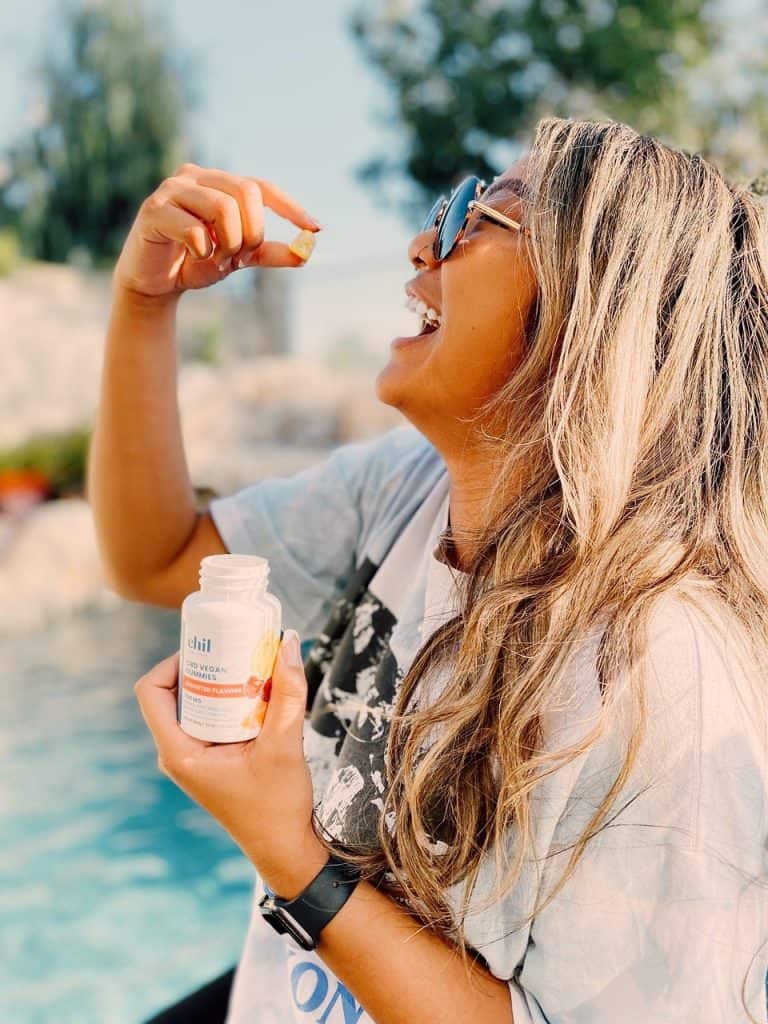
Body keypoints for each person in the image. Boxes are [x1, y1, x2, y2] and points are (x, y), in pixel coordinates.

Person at [88, 116, 768, 1023]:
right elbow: (158, 558)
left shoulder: (659, 677)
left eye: (480, 218)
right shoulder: (409, 486)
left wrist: (291, 851)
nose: (421, 242)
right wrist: (144, 302)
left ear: (592, 311)